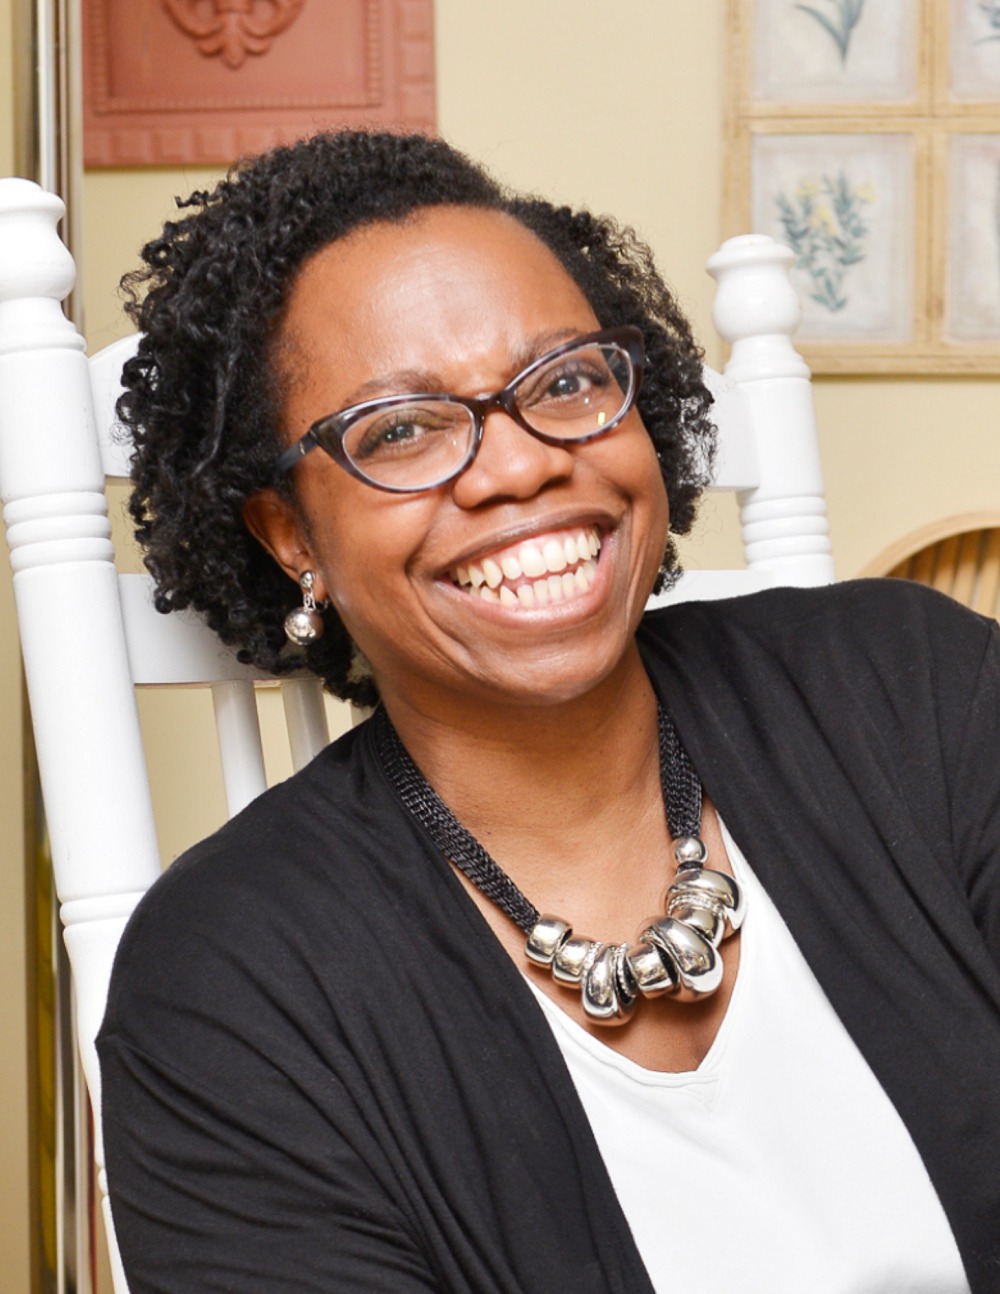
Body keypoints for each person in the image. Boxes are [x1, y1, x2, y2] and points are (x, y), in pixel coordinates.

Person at [97, 131, 1000, 1294]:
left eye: (565, 380)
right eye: (400, 429)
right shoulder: (230, 983)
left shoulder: (912, 691)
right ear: (289, 535)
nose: (517, 467)